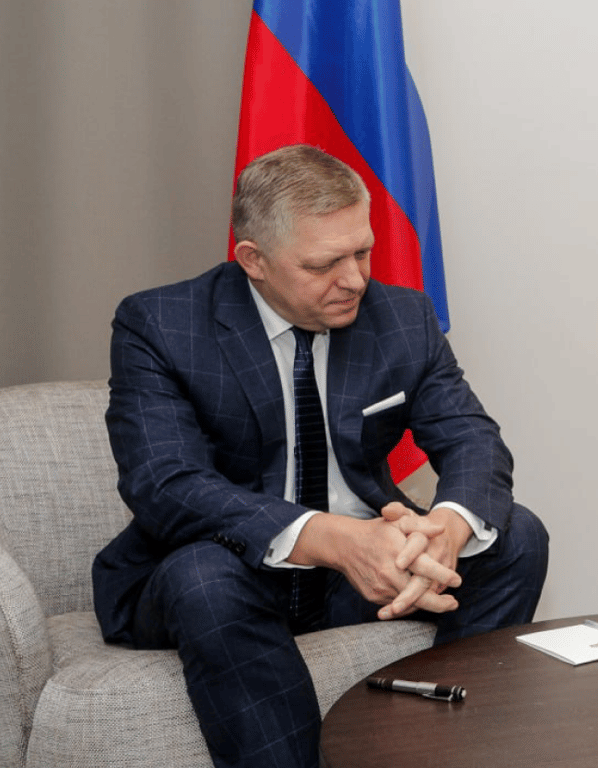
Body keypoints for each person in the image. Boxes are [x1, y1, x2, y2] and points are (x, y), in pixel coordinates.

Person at [93, 144, 549, 768]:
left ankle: (432, 752)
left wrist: (446, 528)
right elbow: (164, 483)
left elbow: (471, 437)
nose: (355, 279)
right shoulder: (162, 324)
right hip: (230, 564)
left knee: (517, 536)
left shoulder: (402, 316)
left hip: (357, 576)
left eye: (362, 252)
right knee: (204, 577)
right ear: (253, 260)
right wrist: (331, 539)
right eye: (324, 264)